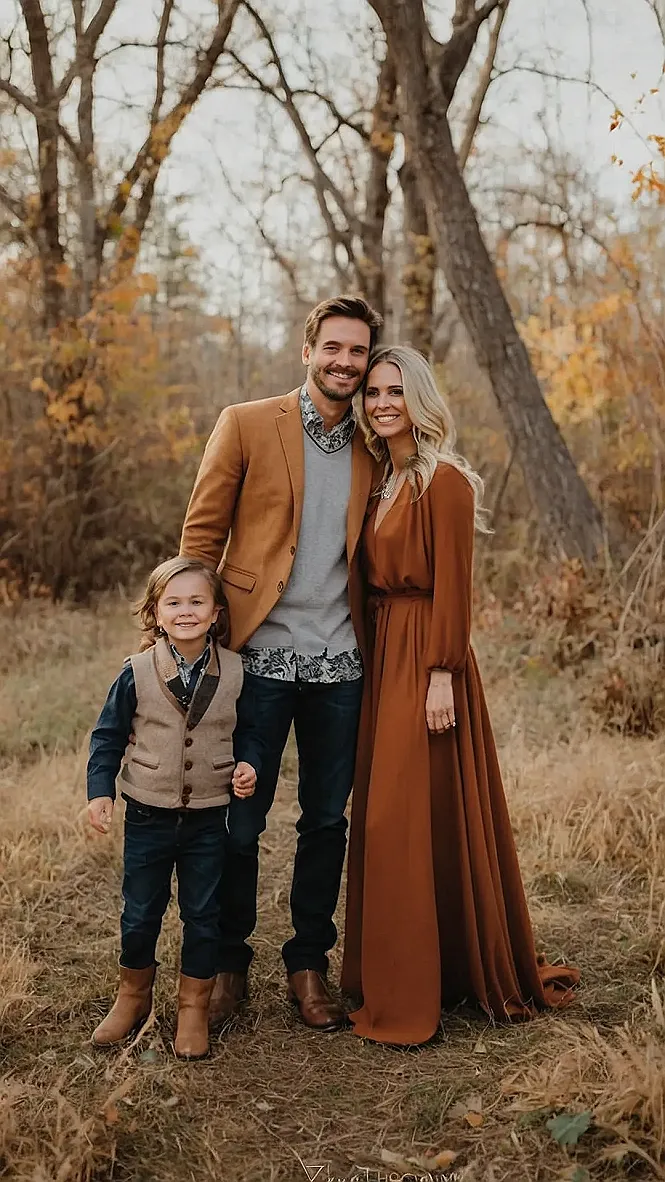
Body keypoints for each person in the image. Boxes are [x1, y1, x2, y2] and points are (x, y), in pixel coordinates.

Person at [340, 345, 580, 1045]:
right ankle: (401, 967)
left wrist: (440, 672)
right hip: (384, 653)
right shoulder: (379, 479)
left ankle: (431, 978)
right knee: (390, 813)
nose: (381, 402)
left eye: (394, 390)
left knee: (414, 813)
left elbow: (453, 583)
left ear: (418, 398)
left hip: (425, 658)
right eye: (373, 392)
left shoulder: (442, 481)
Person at [179, 294, 382, 1032]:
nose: (344, 362)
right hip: (255, 659)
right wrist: (186, 640)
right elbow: (200, 537)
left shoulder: (375, 440)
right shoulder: (244, 423)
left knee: (326, 821)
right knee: (240, 819)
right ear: (307, 351)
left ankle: (307, 963)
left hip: (340, 664)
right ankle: (229, 962)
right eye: (333, 348)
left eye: (357, 352)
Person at [86, 556, 263, 1059]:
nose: (186, 611)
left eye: (197, 602)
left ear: (216, 613)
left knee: (203, 914)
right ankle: (133, 996)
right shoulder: (137, 672)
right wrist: (101, 792)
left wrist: (248, 765)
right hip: (147, 815)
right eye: (174, 602)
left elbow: (250, 732)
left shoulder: (235, 671)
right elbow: (107, 738)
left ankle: (192, 1010)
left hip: (210, 817)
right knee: (141, 912)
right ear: (157, 613)